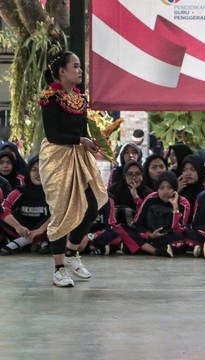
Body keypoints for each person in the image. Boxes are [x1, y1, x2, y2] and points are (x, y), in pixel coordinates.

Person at [38, 50, 108, 287]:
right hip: (57, 158)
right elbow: (53, 134)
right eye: (75, 66)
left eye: (79, 66)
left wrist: (91, 141)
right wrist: (81, 141)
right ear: (62, 71)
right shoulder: (50, 98)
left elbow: (81, 131)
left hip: (79, 157)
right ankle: (58, 268)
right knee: (62, 210)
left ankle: (71, 252)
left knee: (93, 204)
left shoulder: (80, 99)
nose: (79, 71)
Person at [119, 171, 191, 257]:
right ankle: (156, 251)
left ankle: (139, 247)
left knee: (183, 238)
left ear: (175, 188)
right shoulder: (151, 198)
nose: (165, 191)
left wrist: (175, 207)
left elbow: (180, 230)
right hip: (149, 237)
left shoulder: (183, 203)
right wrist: (150, 235)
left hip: (168, 238)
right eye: (161, 188)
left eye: (169, 187)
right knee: (121, 228)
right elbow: (137, 223)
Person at [0, 156, 50, 254]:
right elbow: (4, 207)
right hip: (22, 230)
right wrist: (18, 226)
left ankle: (20, 243)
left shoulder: (53, 192)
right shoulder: (20, 190)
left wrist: (40, 230)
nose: (38, 174)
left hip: (44, 229)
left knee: (62, 214)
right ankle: (39, 242)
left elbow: (60, 212)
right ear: (28, 172)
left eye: (42, 169)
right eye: (34, 170)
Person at [108, 161, 152, 226]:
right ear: (124, 175)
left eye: (137, 174)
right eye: (129, 174)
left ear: (143, 175)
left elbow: (147, 216)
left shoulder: (148, 193)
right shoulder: (113, 190)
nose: (134, 177)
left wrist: (135, 196)